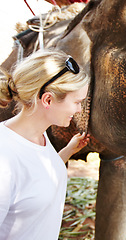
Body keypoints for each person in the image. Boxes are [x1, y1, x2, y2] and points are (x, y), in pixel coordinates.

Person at [0, 49, 90, 239]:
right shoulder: (3, 160)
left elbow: (33, 177)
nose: (80, 110)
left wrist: (67, 152)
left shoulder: (37, 135)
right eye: (77, 102)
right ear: (47, 99)